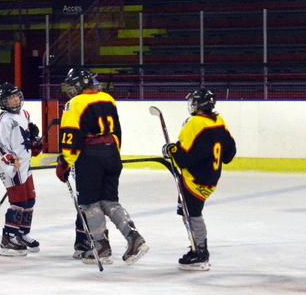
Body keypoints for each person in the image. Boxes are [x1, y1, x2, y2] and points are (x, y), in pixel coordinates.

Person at [55, 67, 147, 265]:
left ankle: (101, 247)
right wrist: (112, 153)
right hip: (112, 154)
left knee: (90, 204)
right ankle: (134, 238)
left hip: (90, 157)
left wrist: (65, 161)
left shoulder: (75, 103)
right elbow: (117, 131)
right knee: (110, 202)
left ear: (79, 86)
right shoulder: (108, 98)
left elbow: (71, 135)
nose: (71, 91)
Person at [162, 88, 236, 271]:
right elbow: (229, 154)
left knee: (191, 214)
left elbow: (183, 157)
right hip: (211, 177)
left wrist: (170, 150)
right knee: (191, 212)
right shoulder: (220, 121)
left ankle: (200, 253)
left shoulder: (194, 123)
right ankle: (197, 245)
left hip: (194, 178)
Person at [0, 82, 42, 256]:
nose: (14, 100)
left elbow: (26, 140)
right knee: (18, 202)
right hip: (11, 167)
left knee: (30, 200)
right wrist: (10, 159)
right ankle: (8, 238)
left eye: (15, 96)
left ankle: (22, 234)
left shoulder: (25, 114)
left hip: (25, 165)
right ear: (3, 102)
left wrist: (35, 141)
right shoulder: (3, 120)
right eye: (9, 98)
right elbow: (0, 144)